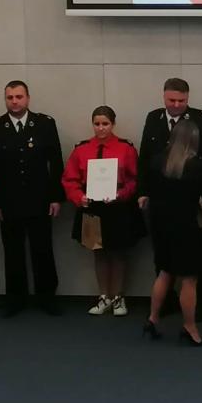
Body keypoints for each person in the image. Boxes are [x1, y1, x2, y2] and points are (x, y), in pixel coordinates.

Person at [138, 77, 202, 320]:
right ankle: (166, 302)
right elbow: (145, 157)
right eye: (171, 100)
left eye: (181, 101)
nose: (176, 105)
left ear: (188, 98)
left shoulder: (200, 119)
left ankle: (198, 302)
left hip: (190, 199)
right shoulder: (154, 118)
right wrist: (143, 191)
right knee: (163, 256)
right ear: (163, 96)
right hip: (161, 199)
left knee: (196, 258)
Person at [0, 80, 64, 316]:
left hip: (40, 199)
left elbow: (55, 162)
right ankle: (15, 300)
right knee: (12, 252)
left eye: (19, 97)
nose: (14, 101)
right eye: (10, 97)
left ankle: (47, 298)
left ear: (28, 98)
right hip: (8, 201)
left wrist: (56, 197)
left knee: (43, 250)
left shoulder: (45, 124)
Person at [142, 120, 202, 346]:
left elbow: (149, 188)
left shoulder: (156, 161)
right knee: (189, 279)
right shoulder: (196, 166)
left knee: (164, 272)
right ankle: (190, 327)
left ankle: (153, 319)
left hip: (160, 225)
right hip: (186, 227)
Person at [62, 106, 144, 317]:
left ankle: (118, 297)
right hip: (91, 208)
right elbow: (70, 179)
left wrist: (121, 194)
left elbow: (135, 179)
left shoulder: (125, 148)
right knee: (98, 253)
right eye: (97, 124)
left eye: (105, 124)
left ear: (113, 124)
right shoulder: (81, 149)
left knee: (118, 253)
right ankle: (104, 296)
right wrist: (78, 197)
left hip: (118, 208)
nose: (101, 128)